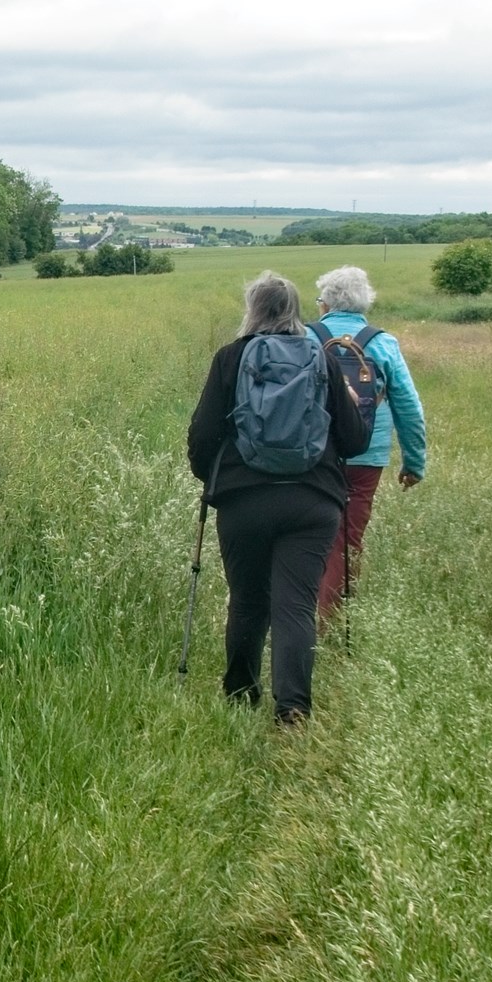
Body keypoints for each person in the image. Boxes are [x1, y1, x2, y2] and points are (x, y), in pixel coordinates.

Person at [187, 271, 372, 725]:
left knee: (248, 600)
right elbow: (353, 441)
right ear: (296, 309)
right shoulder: (321, 358)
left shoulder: (231, 359)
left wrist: (215, 482)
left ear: (251, 308)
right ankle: (292, 710)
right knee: (296, 604)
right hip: (313, 501)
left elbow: (201, 436)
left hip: (243, 499)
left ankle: (240, 696)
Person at [311, 266, 426, 613]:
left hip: (315, 452)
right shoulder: (383, 343)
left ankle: (309, 615)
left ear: (326, 303)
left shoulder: (305, 337)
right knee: (348, 539)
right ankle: (333, 618)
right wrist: (414, 463)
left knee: (312, 536)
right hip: (366, 456)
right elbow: (408, 407)